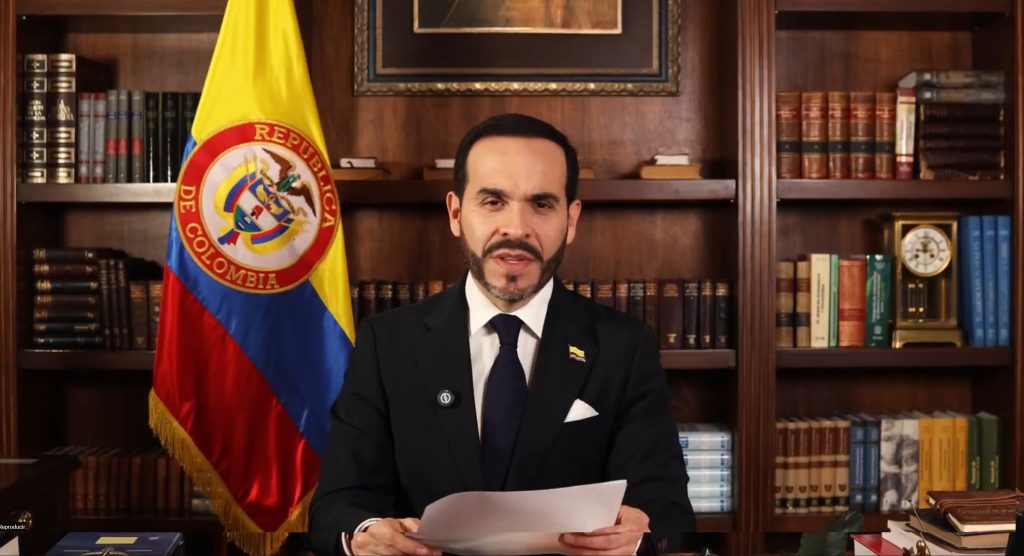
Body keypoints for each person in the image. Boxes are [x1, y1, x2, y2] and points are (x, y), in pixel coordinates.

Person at [309, 113, 695, 555]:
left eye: (541, 204)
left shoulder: (624, 347)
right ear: (456, 213)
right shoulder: (387, 343)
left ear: (571, 220)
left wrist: (640, 539)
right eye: (493, 201)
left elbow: (668, 512)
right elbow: (336, 506)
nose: (516, 228)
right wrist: (366, 535)